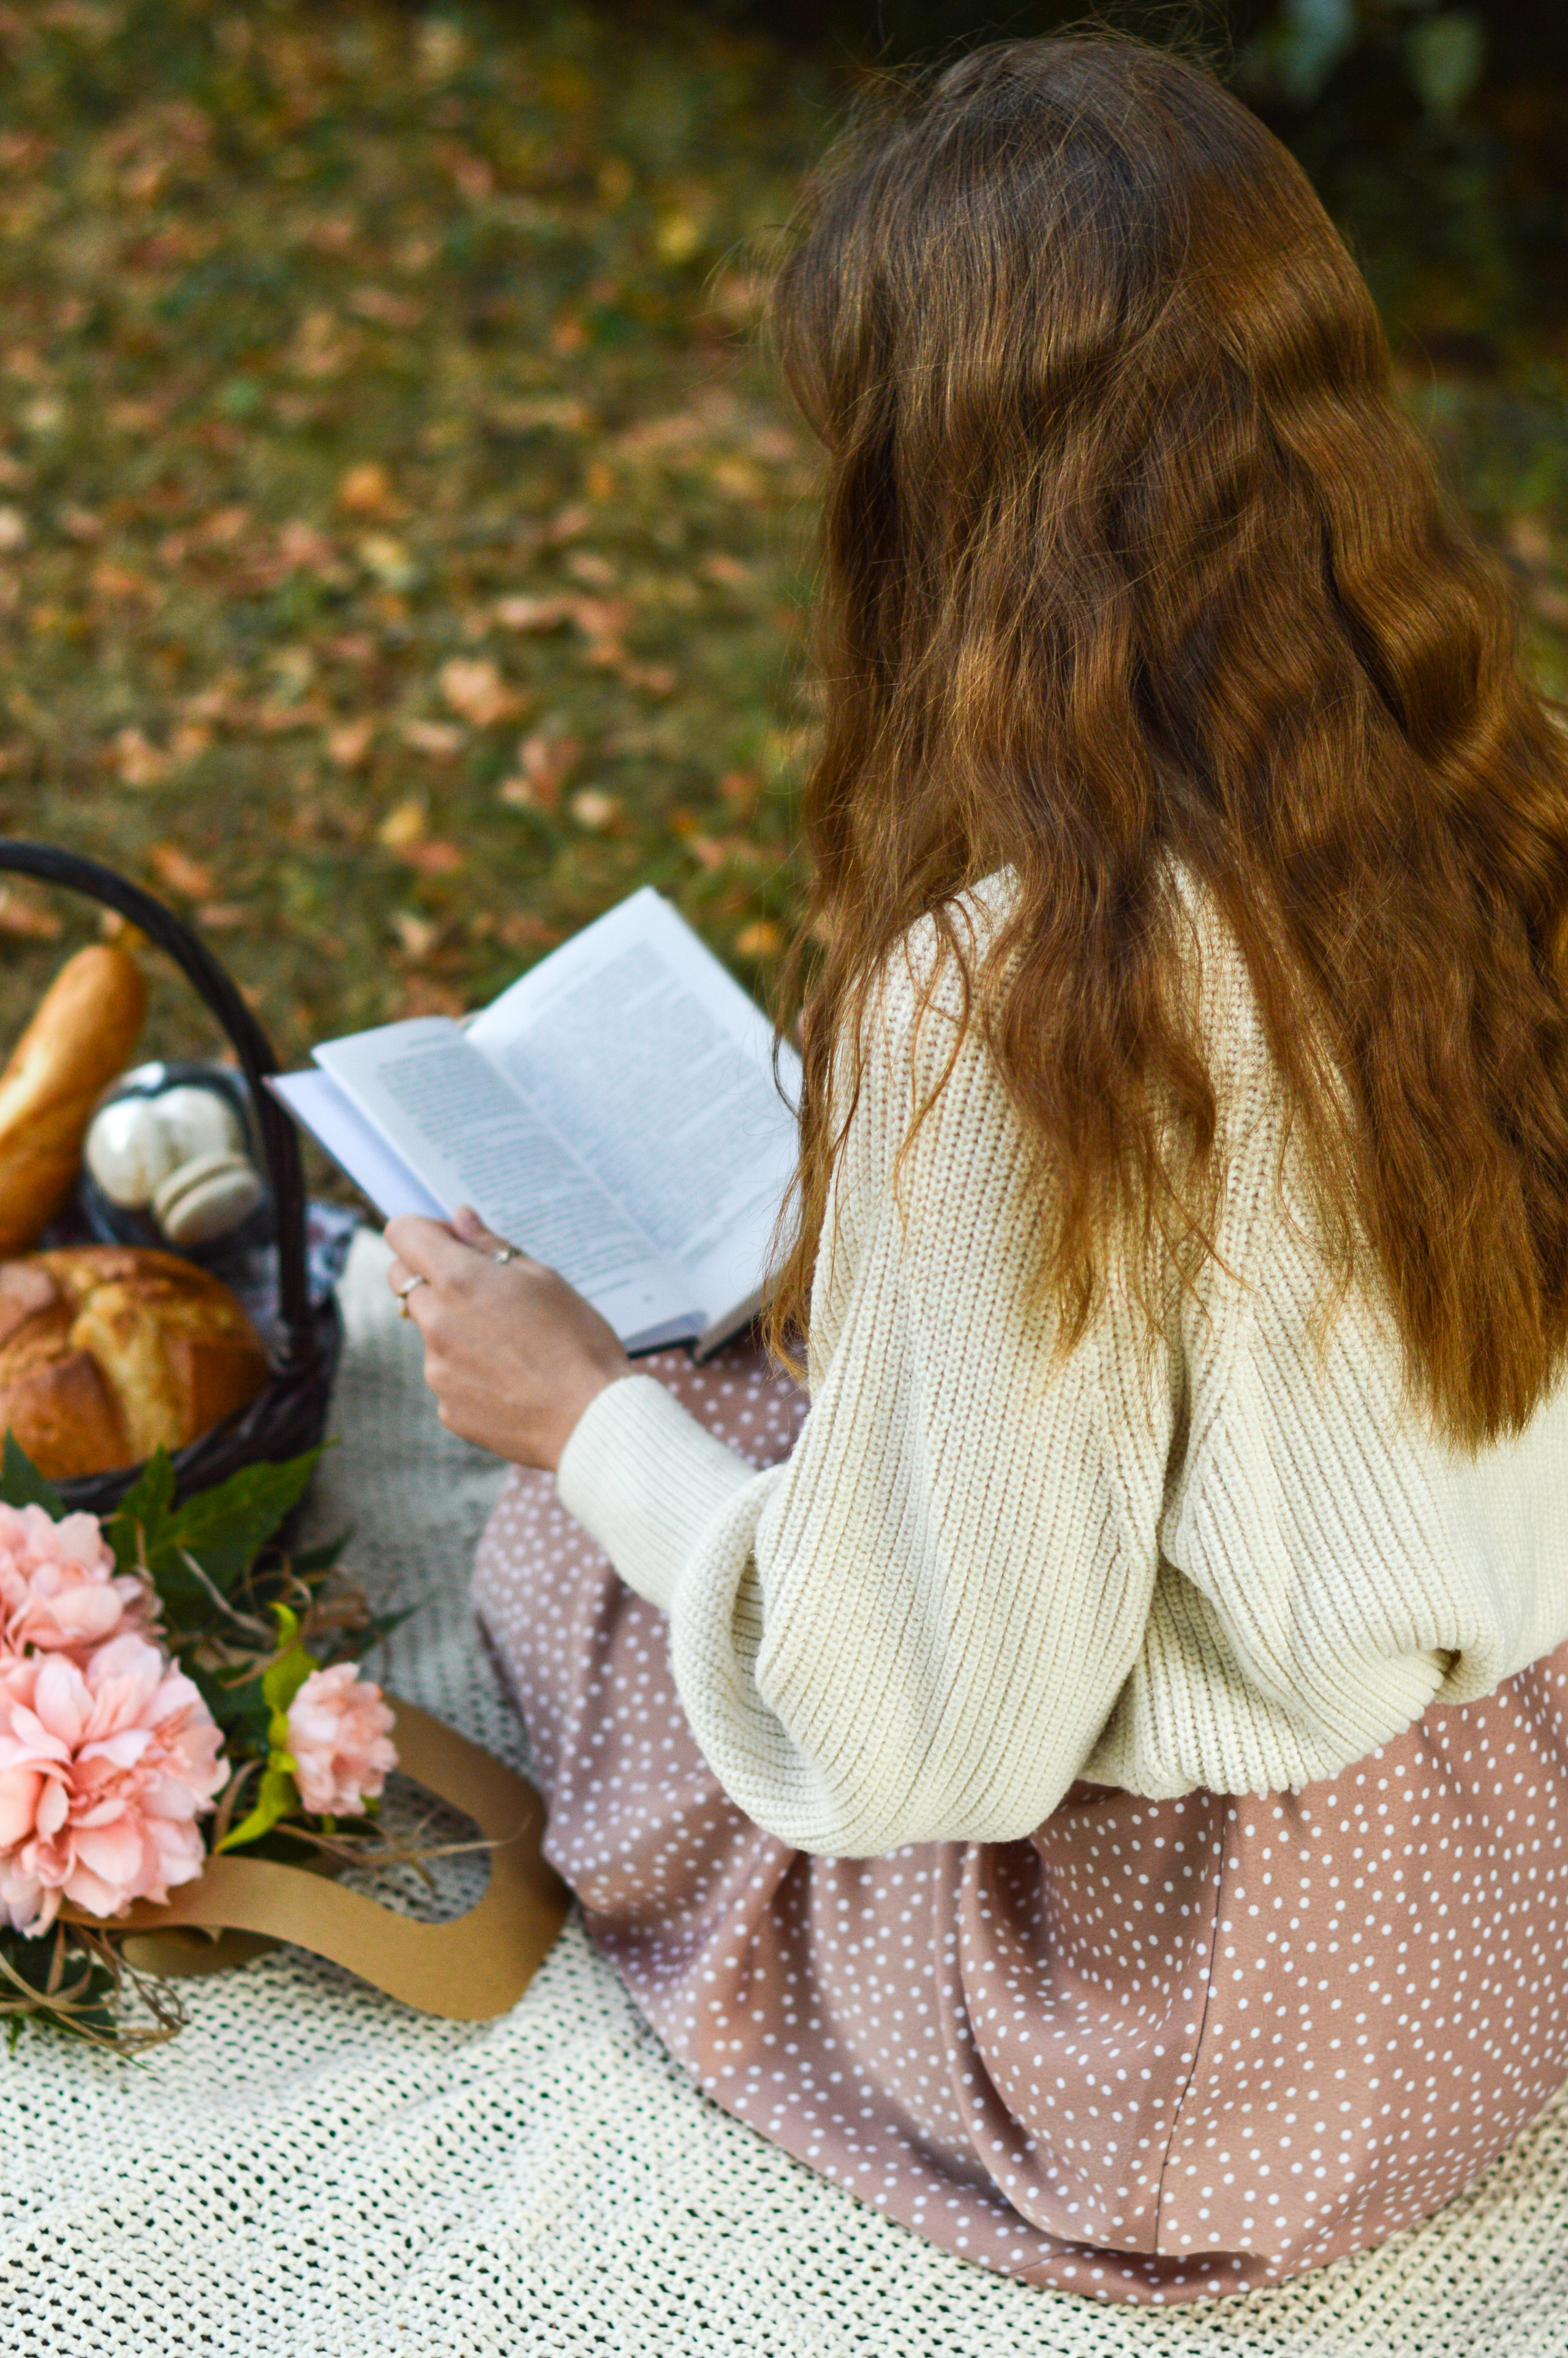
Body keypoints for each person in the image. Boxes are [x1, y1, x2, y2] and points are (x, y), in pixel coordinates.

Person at [383, 34, 1568, 2304]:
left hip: (1181, 2035)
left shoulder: (1029, 996)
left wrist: (582, 1418)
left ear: (939, 505)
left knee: (576, 1553)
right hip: (1496, 1895)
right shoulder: (1504, 787)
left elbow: (918, 1729)